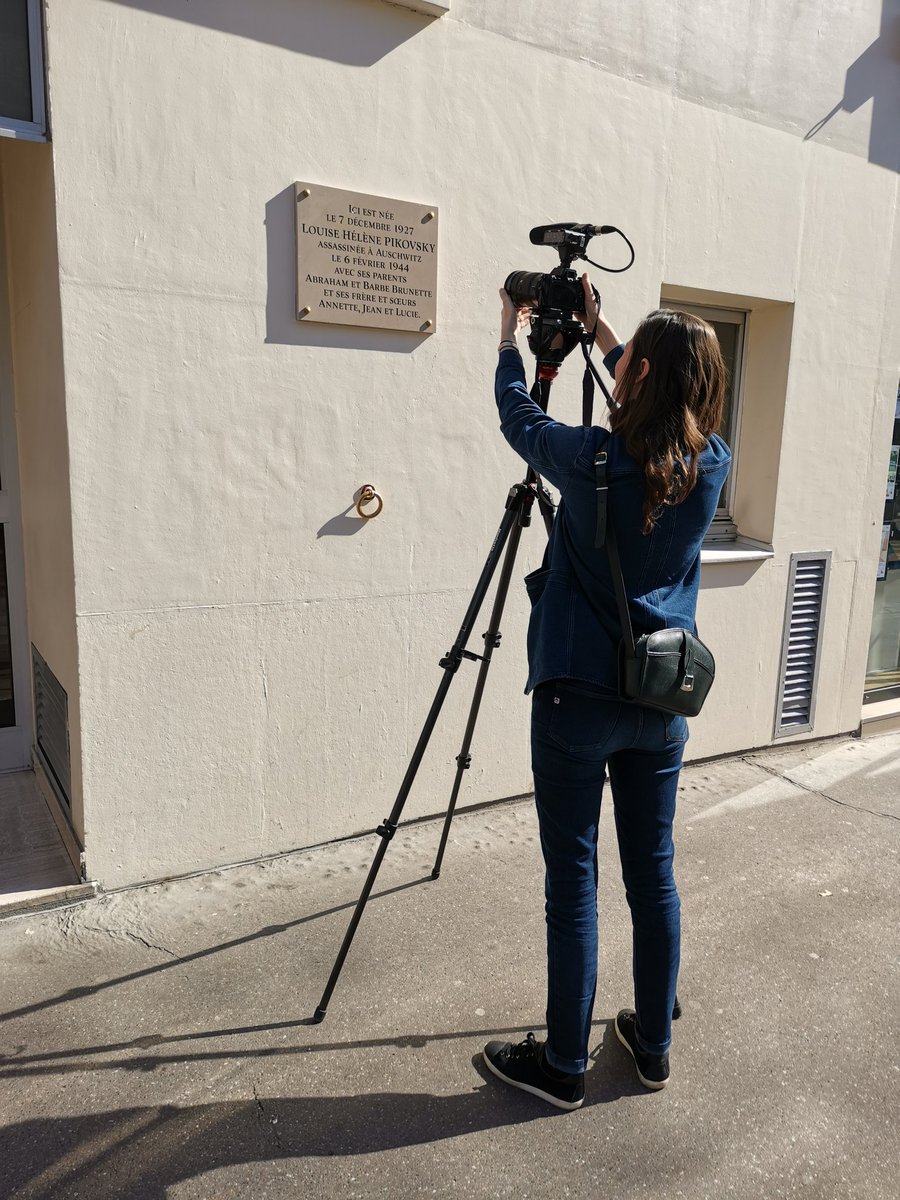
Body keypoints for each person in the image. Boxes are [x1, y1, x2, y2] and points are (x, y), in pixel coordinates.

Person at [481, 276, 731, 1110]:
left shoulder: (592, 459)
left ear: (644, 374)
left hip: (575, 703)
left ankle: (563, 1066)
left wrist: (509, 338)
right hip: (660, 703)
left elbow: (519, 419)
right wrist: (603, 332)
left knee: (573, 884)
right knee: (653, 879)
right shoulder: (710, 466)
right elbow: (660, 387)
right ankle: (653, 1046)